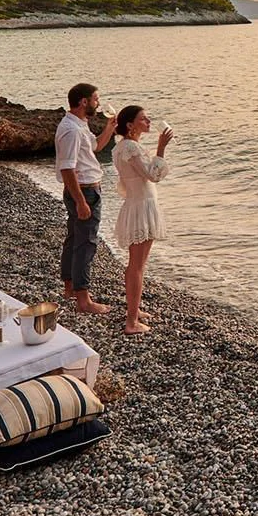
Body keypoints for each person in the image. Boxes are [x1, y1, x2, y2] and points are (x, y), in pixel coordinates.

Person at [56, 83, 118, 313]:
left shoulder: (79, 125)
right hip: (84, 191)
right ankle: (84, 300)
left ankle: (70, 287)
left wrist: (111, 127)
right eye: (95, 99)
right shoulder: (71, 130)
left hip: (84, 190)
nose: (98, 103)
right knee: (86, 243)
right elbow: (67, 168)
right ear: (84, 102)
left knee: (74, 239)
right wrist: (81, 201)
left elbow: (96, 147)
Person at [110, 106, 173, 335]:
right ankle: (131, 322)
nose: (148, 120)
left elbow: (128, 182)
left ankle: (134, 310)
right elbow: (152, 176)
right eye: (142, 118)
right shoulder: (130, 147)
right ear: (130, 125)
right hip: (141, 207)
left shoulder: (121, 148)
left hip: (136, 204)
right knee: (137, 266)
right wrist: (161, 148)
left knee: (135, 265)